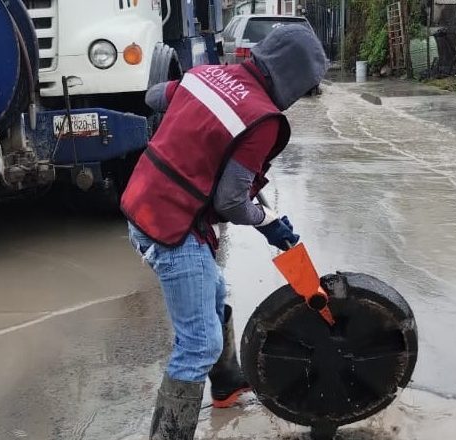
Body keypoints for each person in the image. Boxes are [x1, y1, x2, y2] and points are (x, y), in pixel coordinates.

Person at [121, 25, 328, 440]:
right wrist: (269, 223)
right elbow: (231, 202)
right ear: (294, 80)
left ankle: (228, 384)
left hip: (140, 206)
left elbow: (152, 97)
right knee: (197, 344)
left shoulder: (206, 75)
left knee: (213, 292)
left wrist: (193, 126)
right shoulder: (263, 121)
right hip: (174, 231)